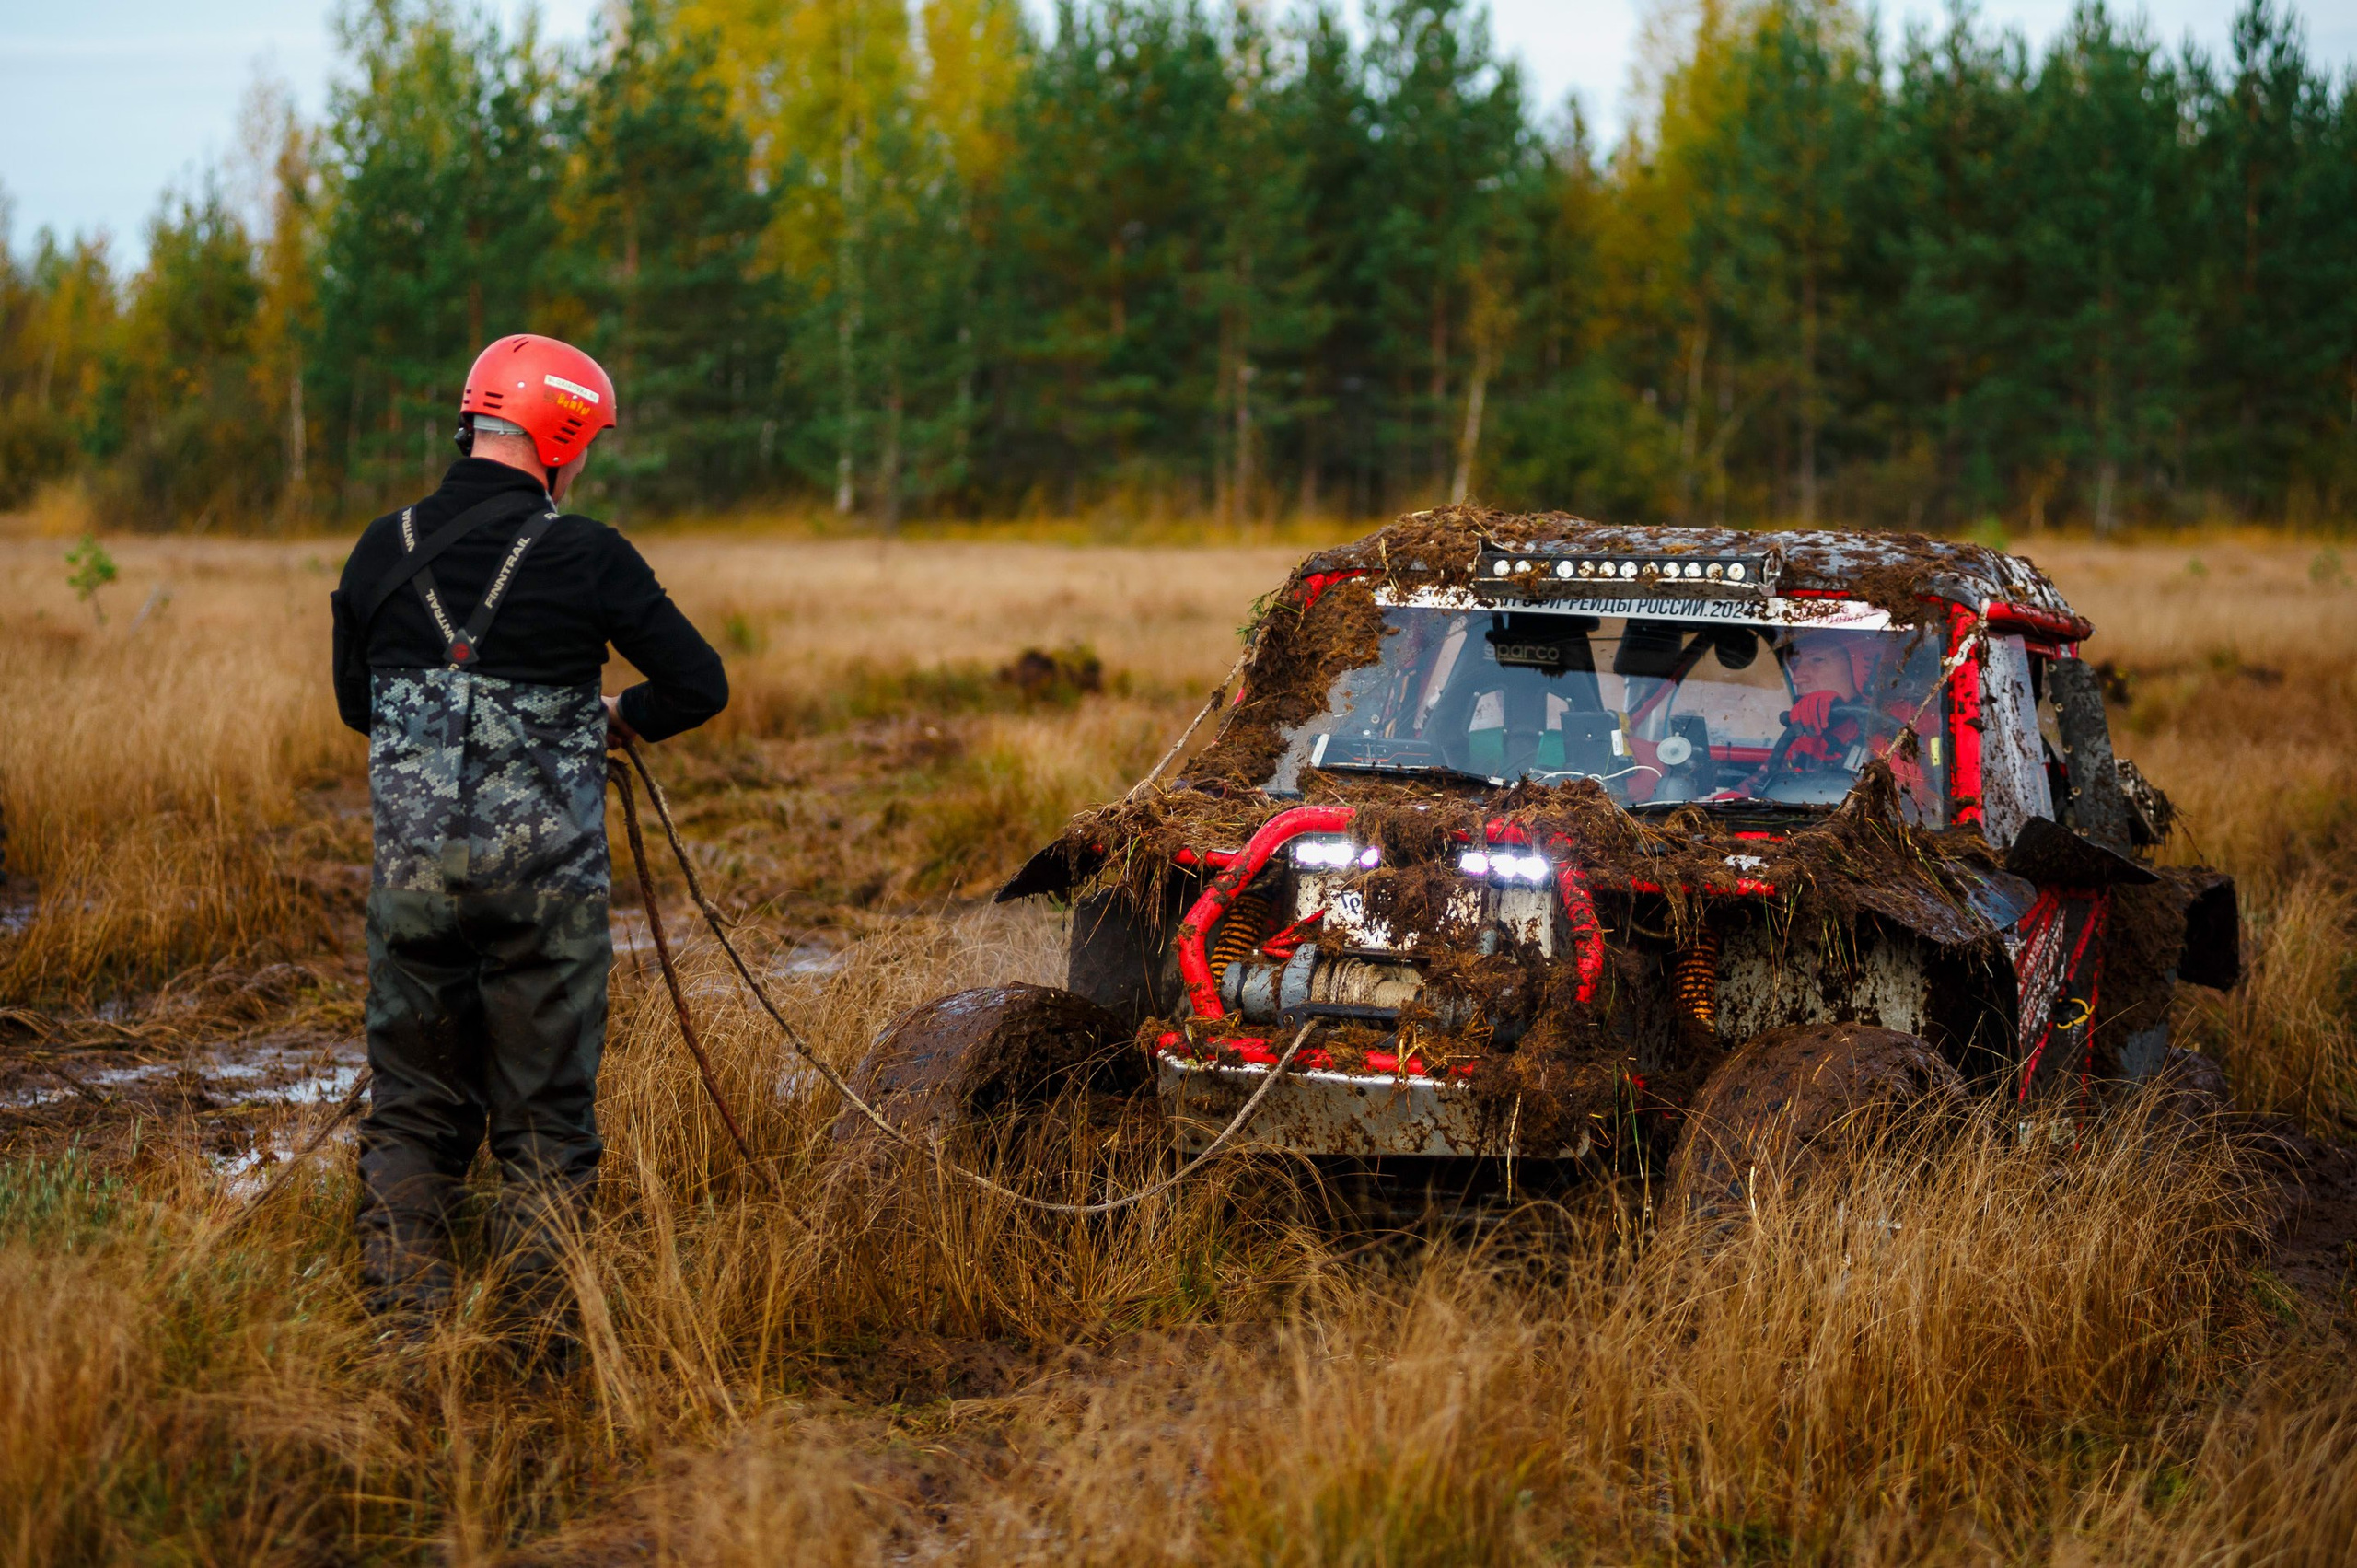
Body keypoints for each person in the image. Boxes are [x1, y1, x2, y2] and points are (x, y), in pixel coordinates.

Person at [330, 333, 727, 1356]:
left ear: (475, 421)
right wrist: (606, 717)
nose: (585, 459)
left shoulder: (382, 546)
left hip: (413, 891)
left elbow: (357, 706)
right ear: (557, 435)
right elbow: (699, 683)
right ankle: (537, 1350)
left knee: (412, 1112)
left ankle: (404, 1344)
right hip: (546, 903)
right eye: (584, 439)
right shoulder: (588, 554)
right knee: (544, 1126)